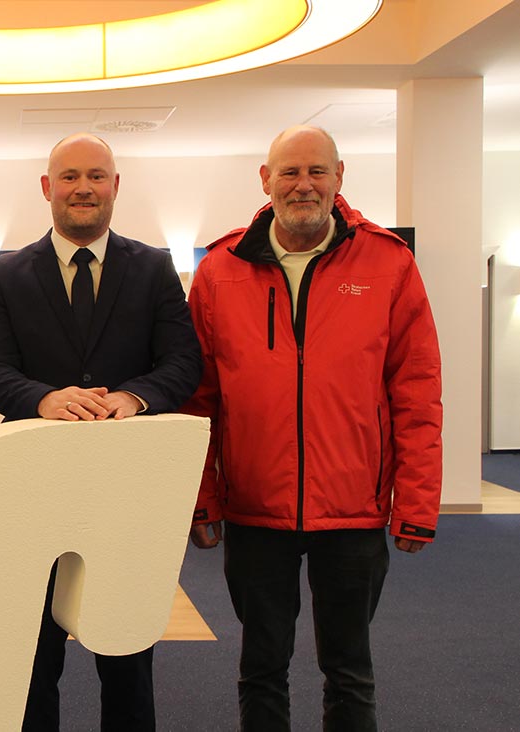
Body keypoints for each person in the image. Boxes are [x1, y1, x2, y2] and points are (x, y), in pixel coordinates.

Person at [185, 125, 442, 731]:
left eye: (317, 171)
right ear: (266, 180)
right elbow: (198, 402)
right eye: (290, 171)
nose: (304, 184)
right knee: (261, 667)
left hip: (353, 511)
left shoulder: (388, 264)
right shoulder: (220, 270)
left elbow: (417, 391)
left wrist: (417, 503)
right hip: (255, 511)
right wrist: (202, 500)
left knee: (349, 670)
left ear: (339, 177)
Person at [0, 133, 202, 731]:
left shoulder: (152, 268)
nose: (83, 188)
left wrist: (133, 397)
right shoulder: (5, 273)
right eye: (70, 176)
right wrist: (43, 398)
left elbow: (184, 362)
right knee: (33, 659)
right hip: (34, 493)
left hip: (124, 495)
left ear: (115, 185)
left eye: (96, 176)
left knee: (126, 659)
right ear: (47, 187)